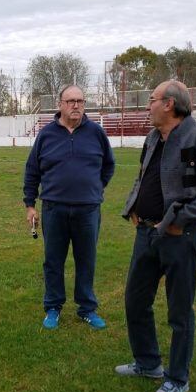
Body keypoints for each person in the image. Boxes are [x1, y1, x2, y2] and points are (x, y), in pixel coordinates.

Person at [116, 80, 196, 392]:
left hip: (180, 238)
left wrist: (180, 220)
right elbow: (142, 177)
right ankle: (148, 363)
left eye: (151, 100)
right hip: (146, 234)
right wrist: (134, 208)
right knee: (135, 301)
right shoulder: (153, 138)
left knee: (180, 312)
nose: (147, 106)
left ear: (168, 104)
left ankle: (178, 379)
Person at [23, 84, 115, 330]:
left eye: (81, 101)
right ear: (60, 104)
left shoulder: (96, 133)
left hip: (88, 210)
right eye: (71, 101)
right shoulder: (46, 135)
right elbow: (32, 170)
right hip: (54, 209)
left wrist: (94, 189)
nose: (76, 105)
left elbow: (109, 166)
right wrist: (30, 204)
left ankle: (87, 308)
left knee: (86, 260)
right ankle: (53, 307)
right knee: (53, 261)